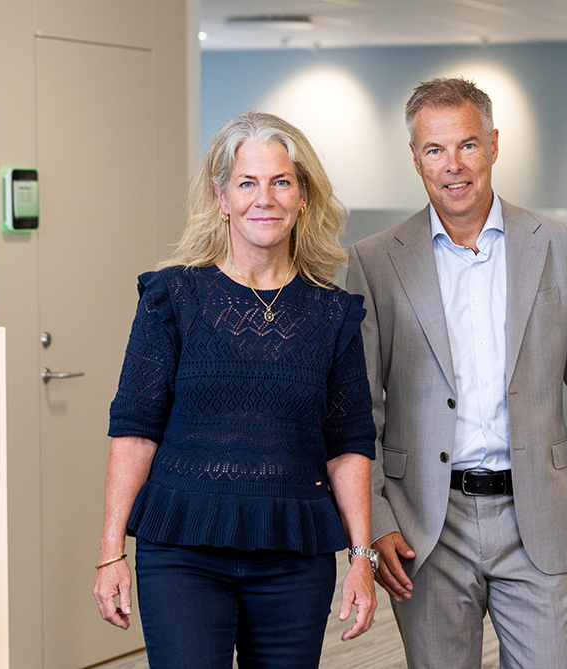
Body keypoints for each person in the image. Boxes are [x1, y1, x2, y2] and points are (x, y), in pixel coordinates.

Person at [345, 77, 567, 669]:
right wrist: (377, 524)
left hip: (536, 513)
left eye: (467, 145)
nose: (452, 165)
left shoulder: (559, 245)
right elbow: (361, 410)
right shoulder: (375, 260)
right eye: (434, 150)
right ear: (415, 157)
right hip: (427, 526)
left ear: (494, 145)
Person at [94, 112, 378, 669]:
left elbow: (348, 445)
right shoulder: (172, 297)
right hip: (182, 554)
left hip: (294, 556)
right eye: (247, 183)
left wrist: (361, 558)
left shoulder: (331, 314)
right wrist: (110, 552)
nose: (263, 199)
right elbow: (135, 432)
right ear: (221, 196)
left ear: (303, 197)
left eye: (280, 182)